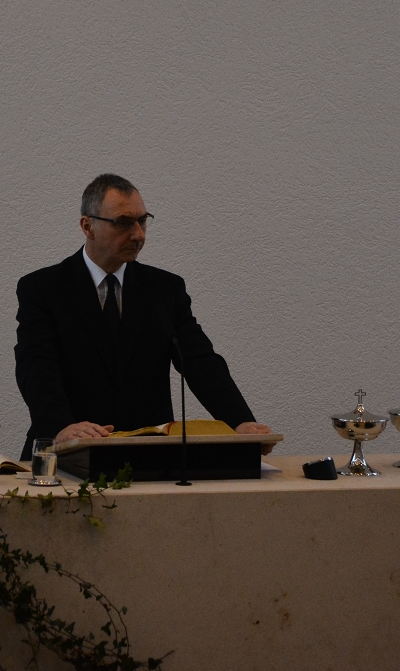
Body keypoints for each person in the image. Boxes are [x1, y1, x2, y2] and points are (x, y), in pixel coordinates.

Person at [15, 174, 272, 459]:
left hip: (147, 456)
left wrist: (239, 422)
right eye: (124, 223)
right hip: (65, 451)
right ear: (88, 227)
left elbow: (199, 361)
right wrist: (60, 426)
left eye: (142, 221)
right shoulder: (43, 289)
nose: (138, 234)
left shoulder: (164, 289)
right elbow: (36, 366)